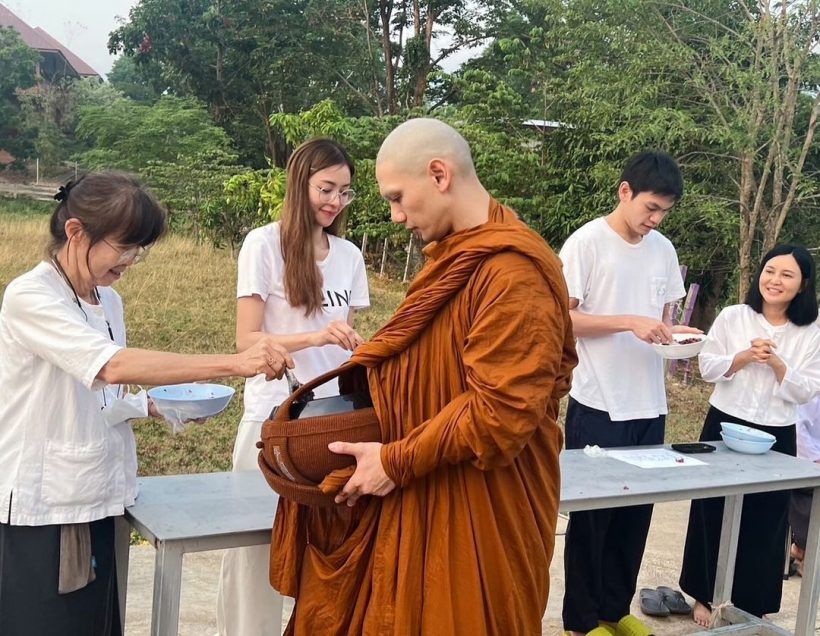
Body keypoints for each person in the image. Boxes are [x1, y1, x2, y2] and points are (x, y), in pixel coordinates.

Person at [266, 118, 577, 634]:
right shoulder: (459, 258)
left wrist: (396, 459)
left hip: (482, 509)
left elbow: (502, 411)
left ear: (438, 174)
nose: (394, 215)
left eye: (396, 197)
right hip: (431, 481)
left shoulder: (513, 272)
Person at [0, 172, 292, 636]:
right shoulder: (31, 296)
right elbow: (112, 367)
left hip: (101, 494)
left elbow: (102, 395)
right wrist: (237, 363)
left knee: (98, 623)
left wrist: (147, 407)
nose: (133, 260)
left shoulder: (107, 301)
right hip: (51, 507)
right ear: (76, 233)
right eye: (125, 246)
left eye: (140, 249)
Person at [216, 138, 370, 635]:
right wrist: (316, 334)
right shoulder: (264, 243)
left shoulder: (348, 255)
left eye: (345, 193)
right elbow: (247, 340)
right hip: (275, 419)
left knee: (328, 548)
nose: (335, 202)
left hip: (335, 418)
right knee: (255, 550)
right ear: (299, 182)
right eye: (326, 188)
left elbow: (342, 342)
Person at [558, 151, 700, 636]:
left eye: (664, 212)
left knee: (635, 515)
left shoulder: (663, 249)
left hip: (649, 402)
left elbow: (661, 320)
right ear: (624, 191)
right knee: (593, 519)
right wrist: (628, 322)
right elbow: (563, 318)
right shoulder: (586, 244)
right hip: (598, 400)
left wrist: (679, 334)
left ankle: (615, 611)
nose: (655, 220)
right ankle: (581, 621)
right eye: (651, 208)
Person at [679, 245, 820, 627]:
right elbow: (707, 366)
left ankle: (751, 604)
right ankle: (703, 595)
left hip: (776, 431)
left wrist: (776, 363)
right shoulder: (734, 316)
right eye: (770, 271)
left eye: (787, 275)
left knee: (766, 517)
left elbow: (808, 389)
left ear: (803, 284)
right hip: (725, 420)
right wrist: (743, 357)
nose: (775, 281)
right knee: (712, 509)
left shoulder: (811, 330)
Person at [789, 395, 820, 576]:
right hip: (805, 456)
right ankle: (806, 548)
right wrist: (816, 459)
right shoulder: (814, 386)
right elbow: (797, 427)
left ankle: (801, 549)